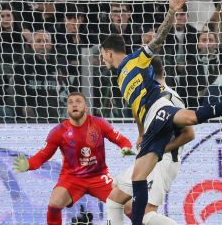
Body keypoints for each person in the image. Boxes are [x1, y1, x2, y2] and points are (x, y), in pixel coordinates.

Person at [99, 0, 222, 225]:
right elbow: (138, 110)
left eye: (102, 56)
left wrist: (171, 11)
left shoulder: (136, 61)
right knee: (128, 189)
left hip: (160, 116)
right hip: (151, 128)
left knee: (192, 117)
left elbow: (157, 40)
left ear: (108, 52)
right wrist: (140, 133)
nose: (102, 61)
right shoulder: (120, 80)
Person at [13, 92, 134, 225]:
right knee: (55, 203)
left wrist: (125, 147)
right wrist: (29, 164)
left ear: (86, 107)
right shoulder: (59, 131)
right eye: (70, 102)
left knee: (128, 204)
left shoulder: (98, 123)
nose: (74, 104)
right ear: (67, 109)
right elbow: (44, 155)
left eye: (78, 101)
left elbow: (121, 139)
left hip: (98, 176)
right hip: (72, 177)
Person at [106, 87, 194, 225]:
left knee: (147, 213)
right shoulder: (143, 92)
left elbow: (189, 134)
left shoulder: (172, 98)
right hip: (149, 157)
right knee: (115, 198)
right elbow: (138, 112)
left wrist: (159, 148)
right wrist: (141, 134)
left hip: (164, 160)